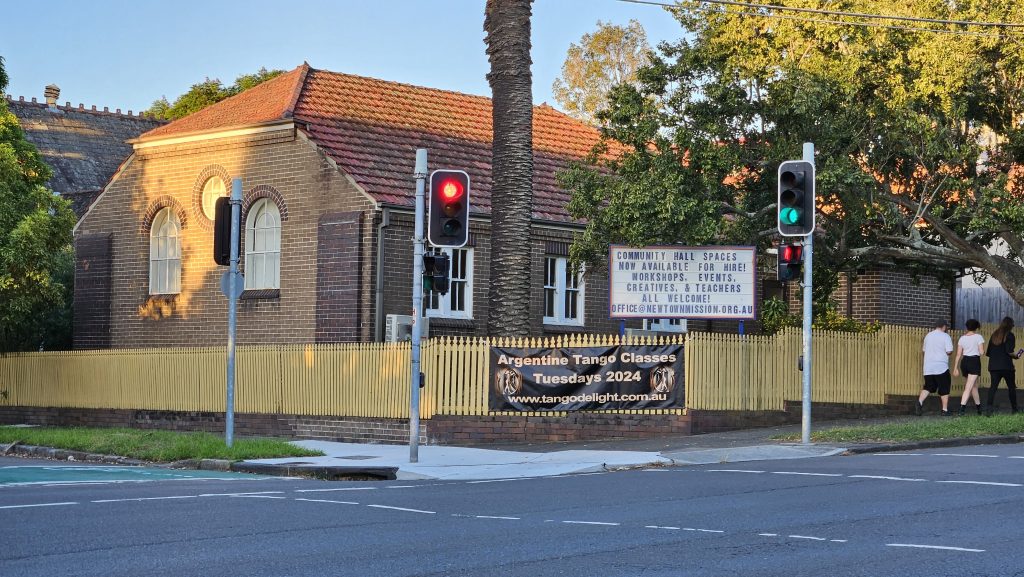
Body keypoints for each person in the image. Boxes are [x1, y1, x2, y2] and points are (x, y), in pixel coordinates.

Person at [916, 319, 954, 416]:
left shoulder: (928, 336)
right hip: (941, 367)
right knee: (944, 387)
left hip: (928, 367)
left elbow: (924, 351)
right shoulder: (945, 336)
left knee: (928, 386)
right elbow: (949, 351)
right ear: (944, 326)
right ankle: (944, 410)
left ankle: (919, 402)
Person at [985, 316, 1020, 416]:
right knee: (1011, 387)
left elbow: (989, 353)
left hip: (994, 367)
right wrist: (1016, 356)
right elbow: (1009, 351)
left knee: (993, 388)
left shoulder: (994, 335)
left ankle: (988, 410)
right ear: (1010, 325)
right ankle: (1014, 409)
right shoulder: (1010, 335)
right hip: (1006, 367)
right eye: (1013, 325)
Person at [953, 319, 985, 416]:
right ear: (976, 327)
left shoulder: (962, 338)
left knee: (974, 386)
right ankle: (961, 409)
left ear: (967, 327)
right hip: (974, 362)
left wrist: (955, 368)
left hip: (964, 362)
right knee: (969, 386)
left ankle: (979, 409)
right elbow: (981, 352)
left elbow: (958, 354)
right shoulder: (978, 337)